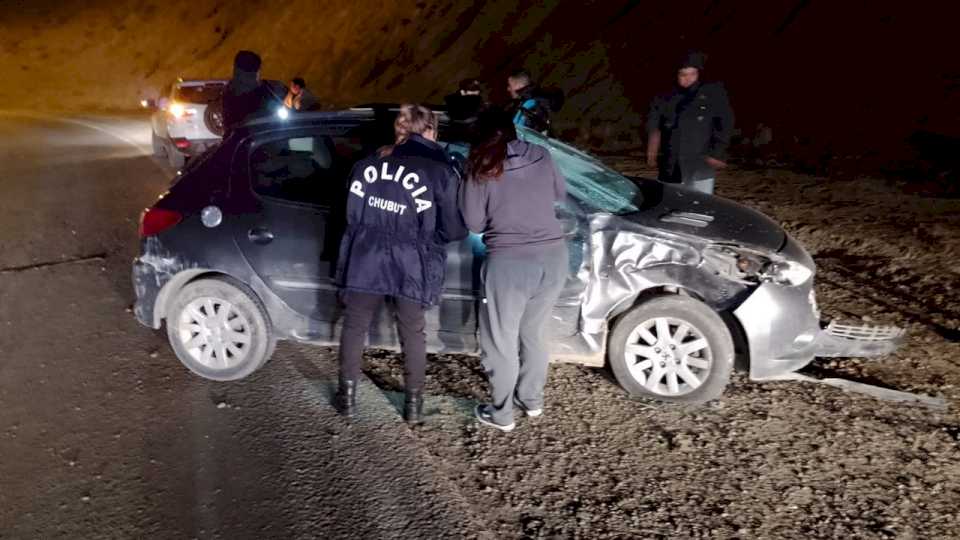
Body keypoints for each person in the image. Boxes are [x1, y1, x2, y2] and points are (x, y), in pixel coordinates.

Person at [334, 104, 468, 423]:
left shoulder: (367, 164)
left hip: (365, 255)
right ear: (429, 131)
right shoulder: (440, 172)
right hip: (412, 261)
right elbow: (454, 229)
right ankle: (412, 406)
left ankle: (348, 399)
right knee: (412, 331)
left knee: (355, 325)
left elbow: (348, 212)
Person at [459, 108, 568, 432]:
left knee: (500, 341)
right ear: (513, 131)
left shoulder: (479, 167)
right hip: (553, 257)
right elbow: (559, 194)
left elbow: (474, 223)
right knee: (533, 333)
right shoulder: (541, 154)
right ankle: (531, 401)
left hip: (509, 264)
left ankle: (502, 414)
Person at [646, 51, 734, 194]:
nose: (689, 79)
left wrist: (717, 152)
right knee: (671, 198)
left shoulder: (711, 94)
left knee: (700, 200)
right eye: (684, 75)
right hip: (671, 160)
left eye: (693, 74)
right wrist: (652, 151)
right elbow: (654, 125)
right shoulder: (665, 96)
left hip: (700, 159)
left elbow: (724, 124)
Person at [221, 50, 280, 134]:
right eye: (259, 70)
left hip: (234, 140)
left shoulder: (229, 90)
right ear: (255, 72)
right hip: (258, 139)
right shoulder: (260, 92)